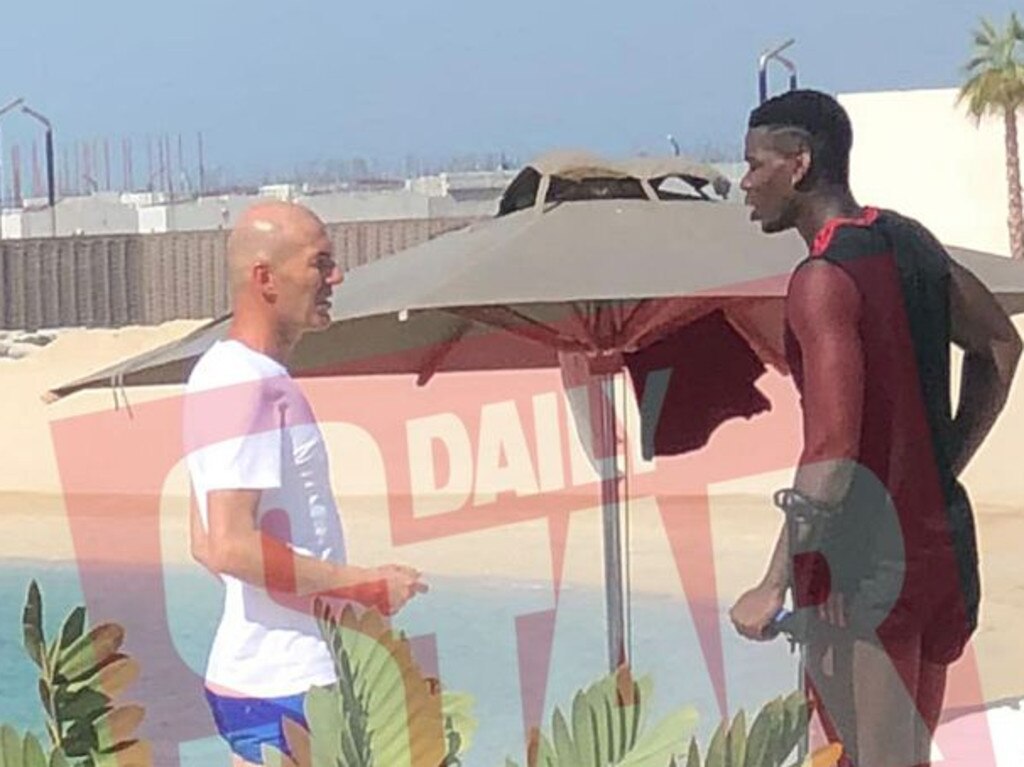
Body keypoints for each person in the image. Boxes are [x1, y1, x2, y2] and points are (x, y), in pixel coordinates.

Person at [728, 90, 1021, 767]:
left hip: (861, 567)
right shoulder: (909, 240)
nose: (744, 182)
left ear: (798, 164)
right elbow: (1000, 348)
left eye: (755, 165)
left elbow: (831, 449)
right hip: (941, 549)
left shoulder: (821, 279)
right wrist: (941, 459)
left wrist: (772, 581)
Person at [184, 201, 426, 766]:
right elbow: (227, 545)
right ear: (265, 279)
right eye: (321, 263)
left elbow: (205, 542)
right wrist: (361, 587)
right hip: (287, 684)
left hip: (270, 678)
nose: (336, 277)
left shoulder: (229, 376)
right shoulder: (245, 383)